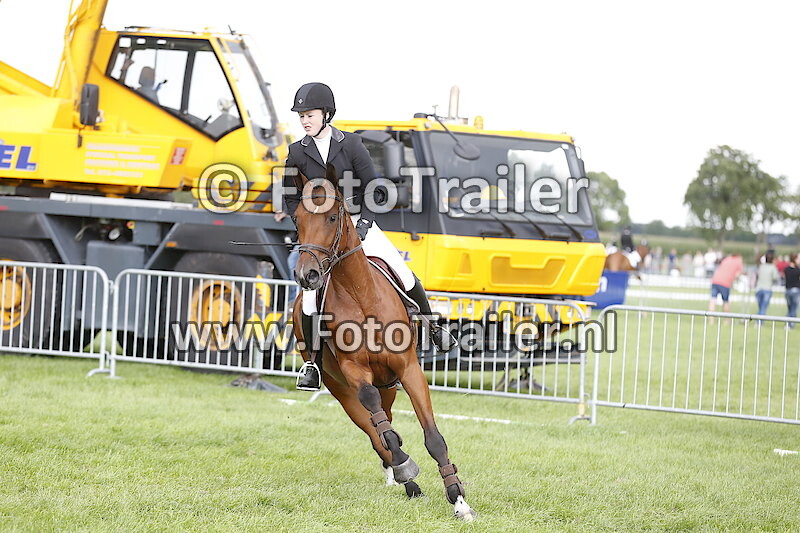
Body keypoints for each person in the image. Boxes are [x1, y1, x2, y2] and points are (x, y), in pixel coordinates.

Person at [282, 82, 456, 390]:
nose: (305, 120)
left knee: (404, 274)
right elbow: (290, 196)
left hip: (359, 227)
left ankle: (433, 327)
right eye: (301, 116)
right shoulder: (297, 151)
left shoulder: (351, 145)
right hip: (323, 236)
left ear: (326, 114)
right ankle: (312, 364)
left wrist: (365, 221)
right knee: (309, 300)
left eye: (309, 114)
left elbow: (374, 186)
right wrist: (305, 226)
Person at [754, 251, 780, 320]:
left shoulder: (761, 266)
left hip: (758, 289)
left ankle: (758, 321)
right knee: (763, 308)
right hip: (767, 289)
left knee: (760, 307)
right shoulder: (773, 267)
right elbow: (775, 278)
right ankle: (759, 323)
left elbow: (757, 275)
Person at [784, 253, 800, 328]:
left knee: (789, 308)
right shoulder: (797, 270)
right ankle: (791, 324)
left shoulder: (786, 269)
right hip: (795, 290)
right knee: (794, 308)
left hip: (787, 290)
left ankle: (787, 323)